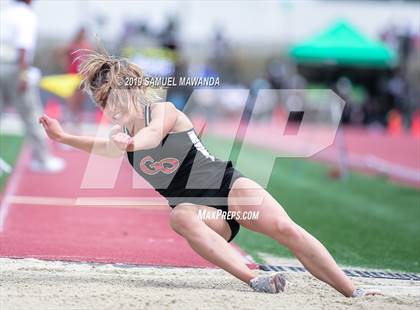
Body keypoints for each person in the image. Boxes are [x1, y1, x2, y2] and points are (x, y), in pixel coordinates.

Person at [38, 51, 379, 297]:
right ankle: (253, 280)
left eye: (111, 97)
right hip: (206, 214)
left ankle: (353, 291)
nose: (108, 107)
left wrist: (130, 142)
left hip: (228, 187)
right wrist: (63, 137)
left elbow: (152, 137)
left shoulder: (163, 111)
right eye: (101, 102)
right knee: (179, 217)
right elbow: (106, 147)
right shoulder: (118, 136)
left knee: (285, 229)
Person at [0, 0, 64, 173]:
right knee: (31, 115)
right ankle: (42, 160)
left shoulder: (4, 12)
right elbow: (23, 46)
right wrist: (23, 73)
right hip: (14, 68)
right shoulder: (26, 15)